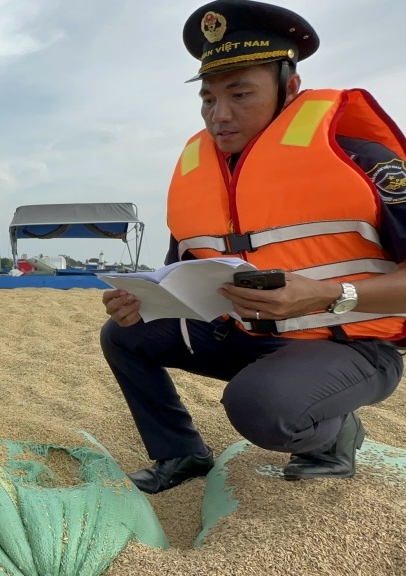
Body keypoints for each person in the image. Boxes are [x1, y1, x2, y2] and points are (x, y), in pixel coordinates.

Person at [100, 0, 406, 495]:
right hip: (247, 335)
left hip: (348, 344)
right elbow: (179, 273)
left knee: (259, 407)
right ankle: (179, 452)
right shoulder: (200, 176)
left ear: (290, 87)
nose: (219, 116)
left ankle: (334, 432)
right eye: (207, 99)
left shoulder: (364, 163)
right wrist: (143, 299)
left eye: (241, 94)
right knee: (122, 334)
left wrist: (326, 294)